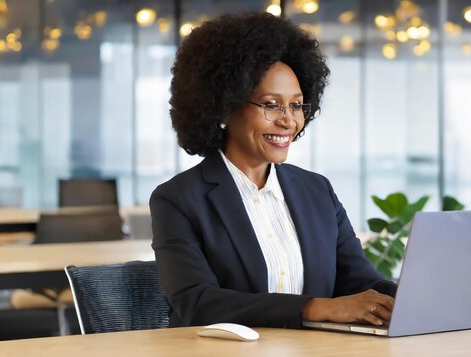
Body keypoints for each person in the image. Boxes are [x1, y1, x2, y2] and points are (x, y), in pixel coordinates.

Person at [150, 12, 396, 329]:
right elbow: (198, 302)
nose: (288, 121)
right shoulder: (178, 199)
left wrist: (415, 298)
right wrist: (317, 308)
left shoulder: (317, 190)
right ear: (224, 105)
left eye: (296, 105)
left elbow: (359, 281)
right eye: (271, 104)